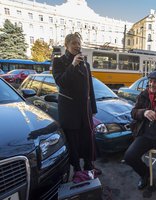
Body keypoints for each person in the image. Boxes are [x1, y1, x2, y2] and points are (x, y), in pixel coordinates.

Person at [52, 32, 97, 183]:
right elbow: (61, 82)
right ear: (66, 45)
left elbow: (90, 88)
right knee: (74, 142)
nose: (77, 46)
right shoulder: (59, 62)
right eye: (74, 43)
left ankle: (89, 166)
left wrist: (93, 109)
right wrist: (72, 65)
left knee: (87, 139)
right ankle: (77, 170)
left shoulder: (86, 64)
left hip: (85, 110)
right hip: (69, 111)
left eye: (79, 43)